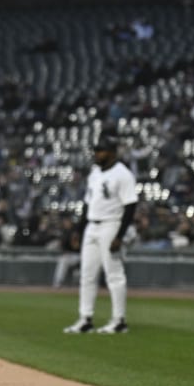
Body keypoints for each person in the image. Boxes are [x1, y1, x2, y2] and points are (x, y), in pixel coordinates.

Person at [64, 135, 138, 334]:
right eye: (96, 150)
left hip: (111, 224)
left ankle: (119, 320)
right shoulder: (95, 172)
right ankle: (85, 318)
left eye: (101, 150)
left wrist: (120, 236)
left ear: (112, 152)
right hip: (92, 225)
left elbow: (130, 206)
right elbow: (88, 203)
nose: (97, 154)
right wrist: (78, 231)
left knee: (114, 274)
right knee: (87, 274)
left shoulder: (123, 174)